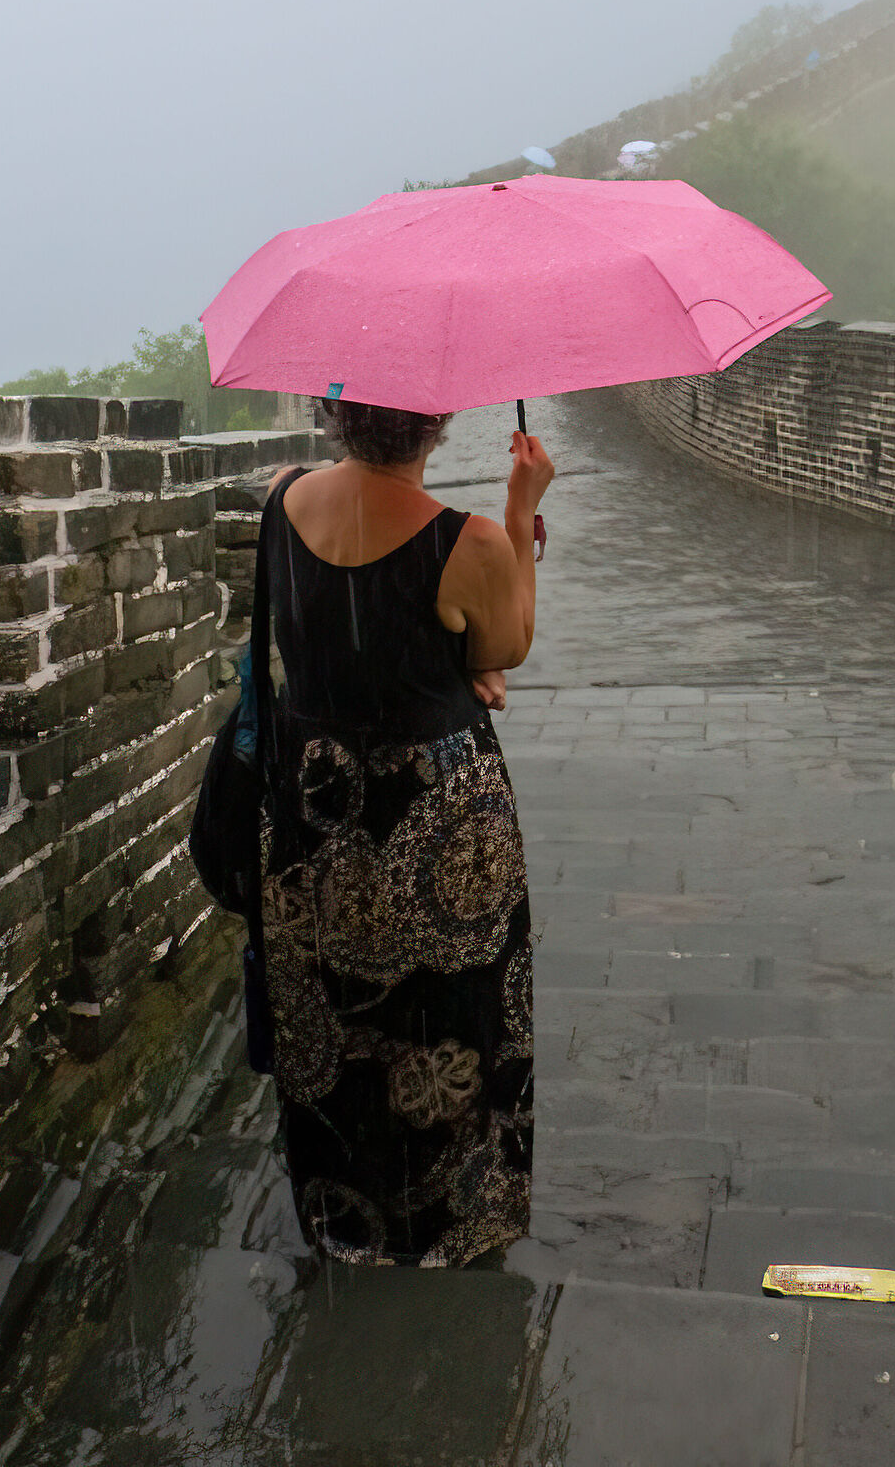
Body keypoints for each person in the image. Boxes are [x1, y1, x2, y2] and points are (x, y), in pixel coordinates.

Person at [253, 398, 553, 1267]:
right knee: (452, 1011)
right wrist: (522, 513)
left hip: (312, 809)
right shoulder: (469, 544)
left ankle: (342, 1212)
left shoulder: (281, 500)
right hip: (437, 808)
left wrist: (454, 655)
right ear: (437, 420)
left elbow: (339, 640)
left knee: (330, 1011)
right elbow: (511, 640)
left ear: (332, 413)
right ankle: (449, 1223)